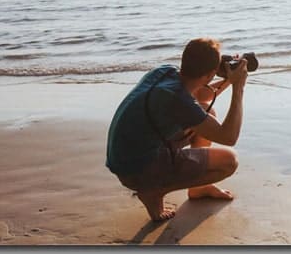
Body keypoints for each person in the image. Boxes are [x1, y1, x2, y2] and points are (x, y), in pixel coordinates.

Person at [105, 37, 248, 221]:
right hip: (135, 168)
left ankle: (198, 188)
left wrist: (228, 79)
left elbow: (200, 93)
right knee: (230, 161)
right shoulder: (177, 100)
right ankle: (154, 191)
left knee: (206, 110)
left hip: (125, 155)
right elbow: (229, 137)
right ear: (210, 74)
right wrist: (239, 87)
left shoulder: (166, 72)